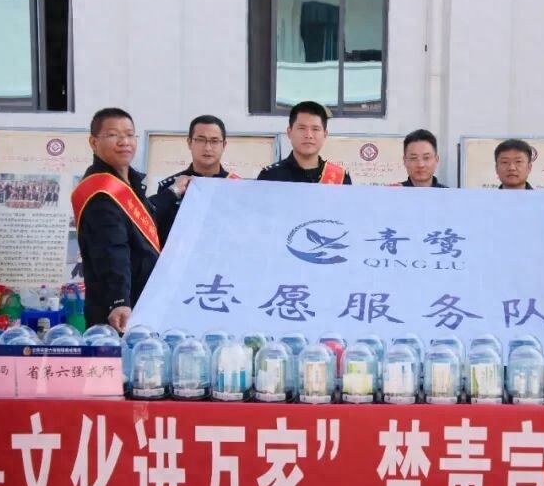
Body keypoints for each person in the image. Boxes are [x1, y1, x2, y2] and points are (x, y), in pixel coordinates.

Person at [71, 108, 160, 332]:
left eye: (129, 134)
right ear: (93, 142)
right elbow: (111, 250)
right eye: (113, 135)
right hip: (119, 314)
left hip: (142, 303)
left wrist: (172, 193)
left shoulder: (129, 183)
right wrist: (118, 300)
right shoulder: (101, 192)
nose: (124, 142)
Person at [150, 114, 240, 246]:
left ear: (224, 145)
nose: (208, 147)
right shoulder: (171, 186)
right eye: (200, 140)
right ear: (189, 143)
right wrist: (174, 192)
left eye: (214, 141)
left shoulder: (237, 187)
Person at [257, 101, 352, 184]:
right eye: (302, 128)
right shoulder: (270, 177)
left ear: (325, 134)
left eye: (315, 129)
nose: (308, 135)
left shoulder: (341, 179)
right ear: (289, 132)